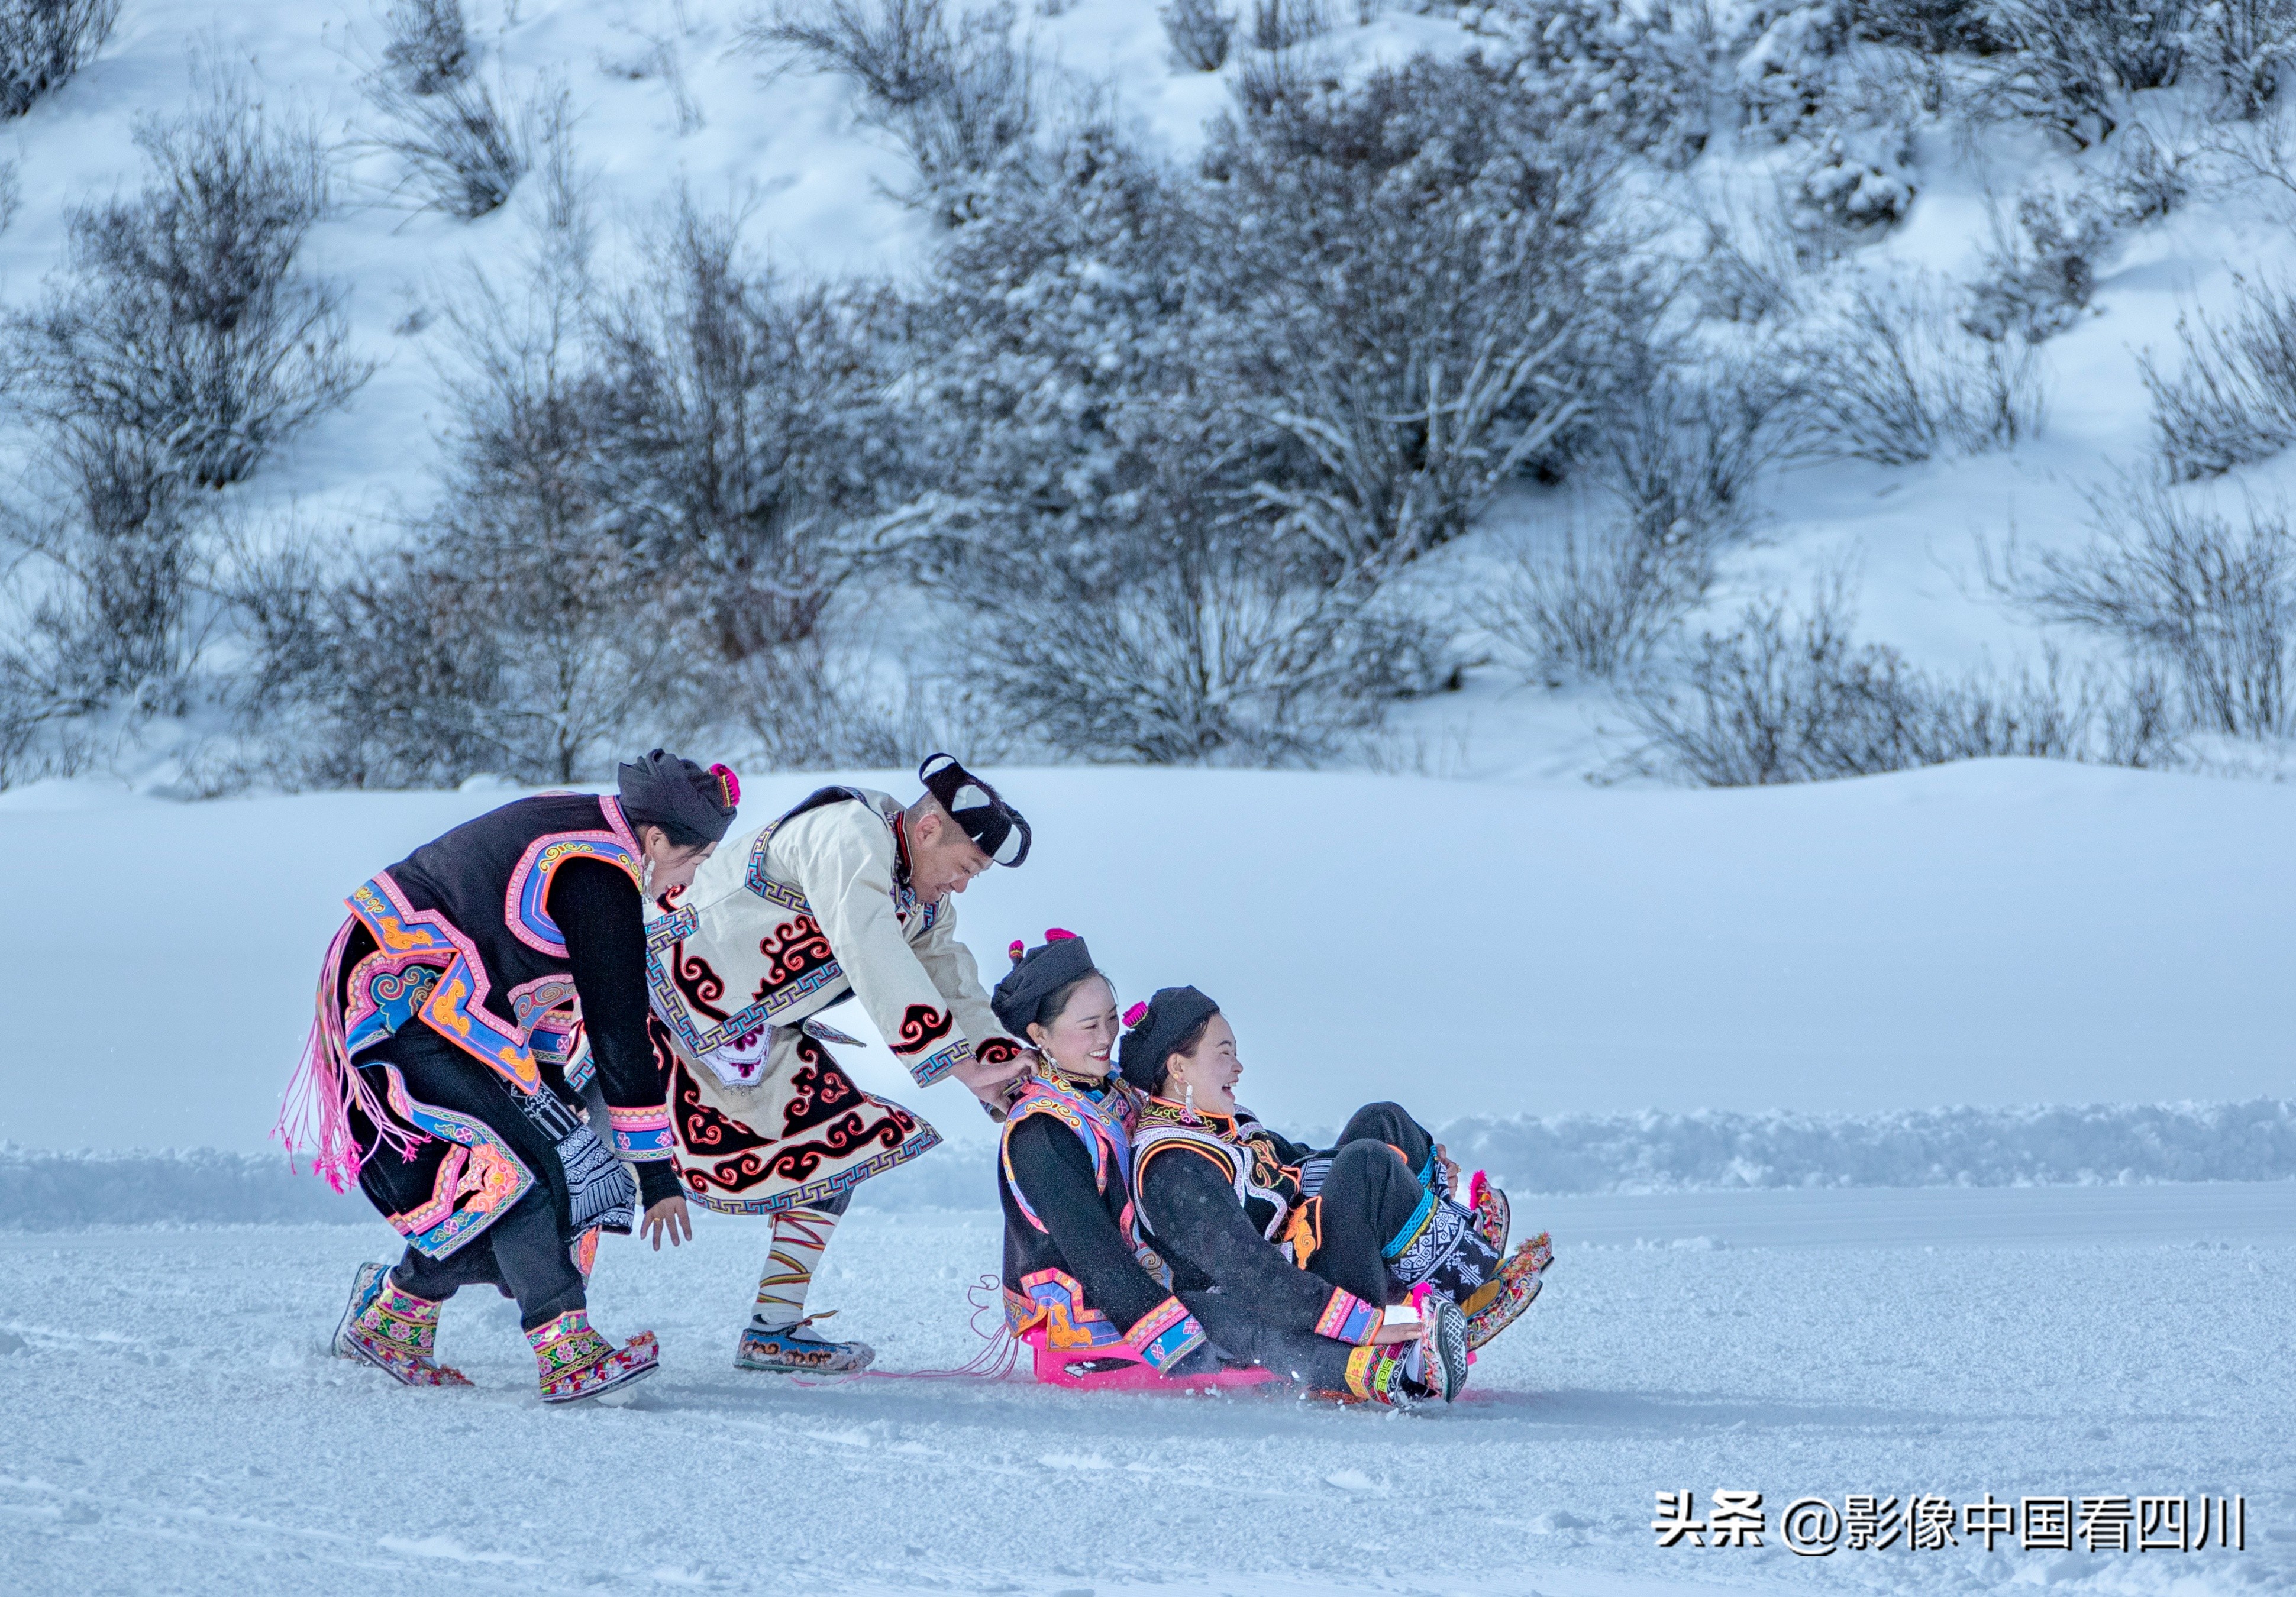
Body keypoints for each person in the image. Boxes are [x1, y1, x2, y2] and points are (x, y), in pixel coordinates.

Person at [277, 751, 737, 1403]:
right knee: (518, 1166)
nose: (690, 880)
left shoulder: (593, 838)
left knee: (540, 1163)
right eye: (696, 860)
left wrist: (545, 1095)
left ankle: (392, 1318)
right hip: (400, 1000)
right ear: (657, 838)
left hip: (436, 1004)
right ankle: (565, 1347)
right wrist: (655, 1172)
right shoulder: (599, 872)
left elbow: (534, 982)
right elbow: (619, 1027)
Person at [642, 754, 1035, 1374]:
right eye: (964, 868)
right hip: (652, 1006)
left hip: (747, 1039)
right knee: (573, 1167)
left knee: (839, 1148)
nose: (961, 885)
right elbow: (869, 945)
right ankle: (526, 1323)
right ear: (928, 829)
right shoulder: (850, 833)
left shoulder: (918, 892)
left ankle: (772, 1331)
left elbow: (949, 975)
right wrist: (959, 1066)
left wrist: (1004, 1069)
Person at [1120, 988, 1554, 1407]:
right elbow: (1250, 1272)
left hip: (1309, 1252)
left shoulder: (1214, 1122)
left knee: (1382, 1122)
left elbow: (1297, 1165)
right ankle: (1469, 1289)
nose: (1239, 1067)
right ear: (1179, 1068)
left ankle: (1456, 1252)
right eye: (1224, 1053)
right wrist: (1364, 1326)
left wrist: (1407, 1171)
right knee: (1366, 1161)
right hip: (1290, 1302)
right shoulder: (1172, 1166)